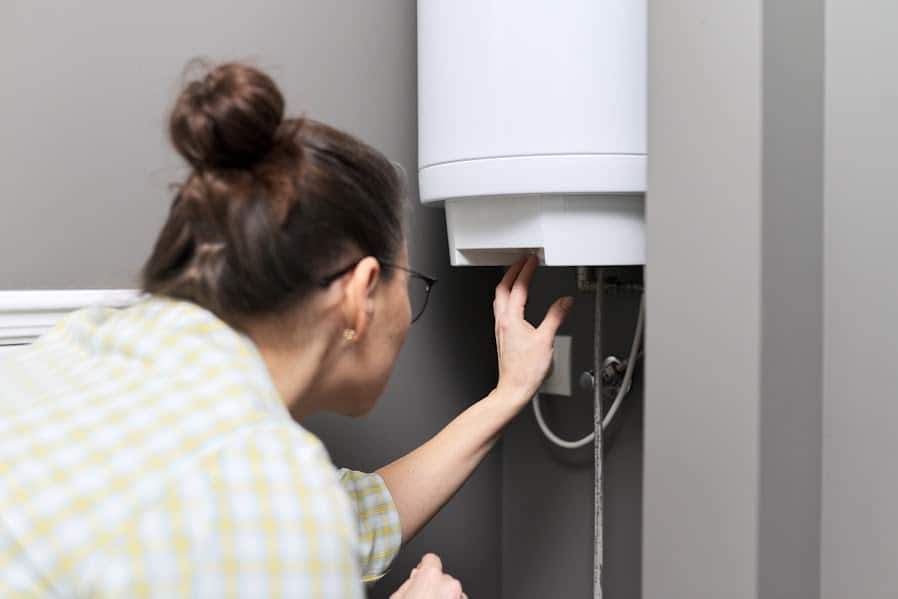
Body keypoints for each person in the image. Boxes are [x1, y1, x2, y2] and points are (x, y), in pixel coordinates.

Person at [0, 62, 573, 598]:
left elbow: (348, 516)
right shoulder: (267, 486)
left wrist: (510, 392)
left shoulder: (85, 345)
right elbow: (280, 508)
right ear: (359, 294)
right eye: (410, 281)